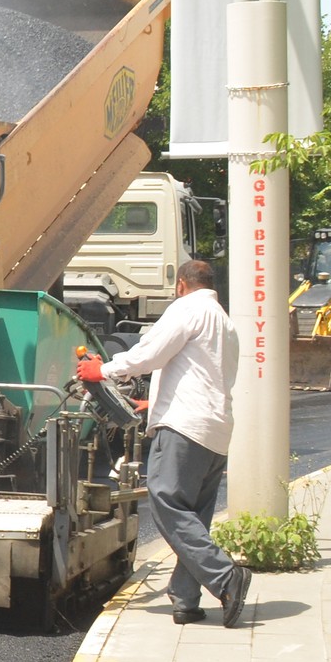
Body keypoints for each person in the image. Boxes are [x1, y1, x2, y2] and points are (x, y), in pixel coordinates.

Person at [76, 258, 252, 627]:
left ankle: (225, 577)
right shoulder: (225, 322)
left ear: (181, 285)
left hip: (184, 427)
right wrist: (154, 403)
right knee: (194, 516)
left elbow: (151, 354)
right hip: (215, 430)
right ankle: (185, 599)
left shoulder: (187, 309)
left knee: (165, 500)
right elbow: (204, 373)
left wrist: (102, 370)